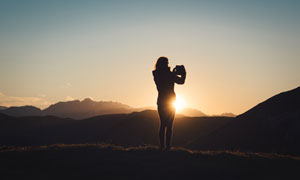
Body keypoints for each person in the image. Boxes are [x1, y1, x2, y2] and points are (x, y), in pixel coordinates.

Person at [152, 56, 186, 151]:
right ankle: (165, 147)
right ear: (162, 64)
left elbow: (181, 81)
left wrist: (181, 74)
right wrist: (182, 73)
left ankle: (165, 147)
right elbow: (180, 81)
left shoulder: (158, 74)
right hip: (168, 102)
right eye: (166, 63)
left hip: (166, 101)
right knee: (166, 124)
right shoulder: (160, 74)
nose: (168, 65)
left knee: (167, 124)